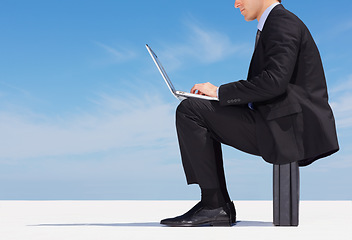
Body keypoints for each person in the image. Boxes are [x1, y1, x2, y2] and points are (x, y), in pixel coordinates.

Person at [160, 0, 339, 227]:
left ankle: (215, 205)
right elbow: (273, 84)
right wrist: (219, 98)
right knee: (197, 107)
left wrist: (219, 92)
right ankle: (215, 205)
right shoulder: (276, 23)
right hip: (278, 120)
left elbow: (274, 82)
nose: (236, 4)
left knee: (190, 110)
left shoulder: (282, 22)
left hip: (286, 129)